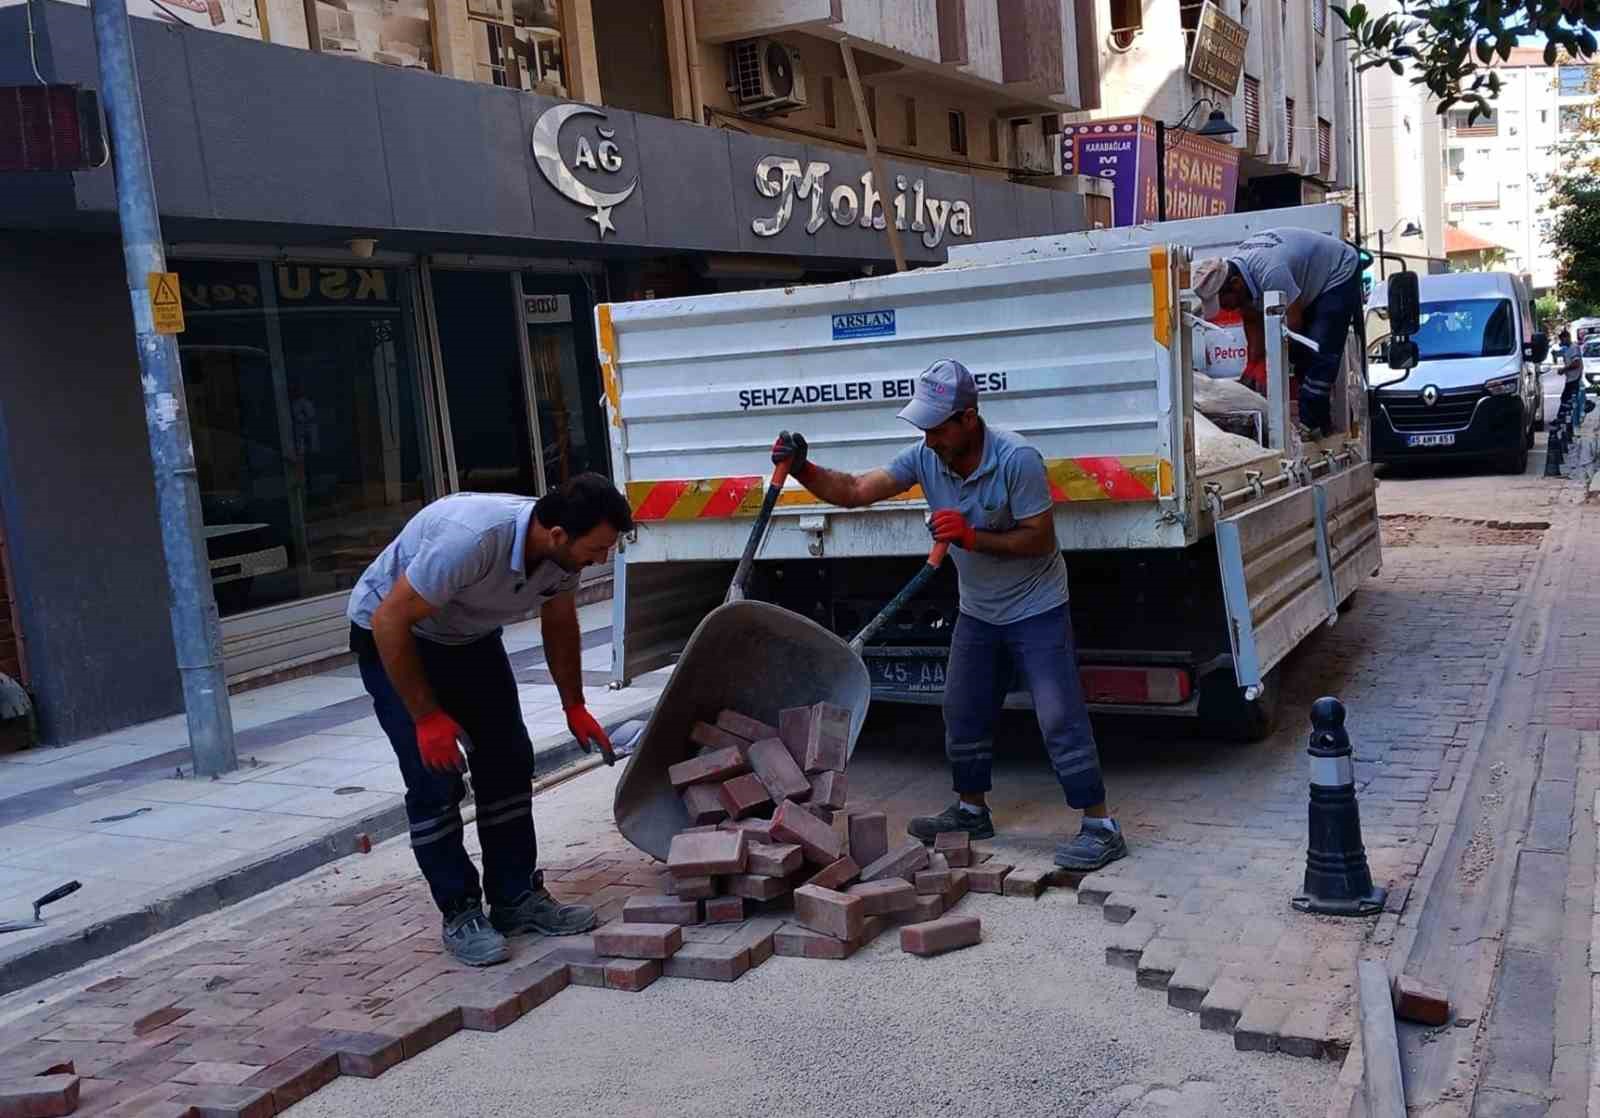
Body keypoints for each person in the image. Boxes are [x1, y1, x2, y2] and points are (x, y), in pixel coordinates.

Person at [770, 359, 1125, 872]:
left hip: (1036, 606)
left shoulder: (1017, 458)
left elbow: (1041, 537)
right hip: (979, 611)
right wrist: (802, 466)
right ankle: (970, 811)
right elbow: (853, 490)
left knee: (1059, 717)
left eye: (937, 427)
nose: (929, 438)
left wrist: (970, 536)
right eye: (925, 427)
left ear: (969, 419)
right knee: (962, 712)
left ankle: (1100, 826)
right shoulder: (926, 456)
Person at [347, 474, 633, 965]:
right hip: (396, 637)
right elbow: (389, 621)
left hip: (468, 638)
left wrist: (574, 705)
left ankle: (515, 897)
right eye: (598, 548)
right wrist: (427, 718)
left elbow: (559, 618)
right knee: (434, 777)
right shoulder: (472, 539)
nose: (603, 559)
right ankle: (460, 911)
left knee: (508, 760)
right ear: (559, 534)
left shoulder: (562, 555)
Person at [1191, 228, 1363, 438]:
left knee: (1317, 349)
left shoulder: (1271, 272)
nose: (1226, 308)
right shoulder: (1239, 276)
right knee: (1301, 360)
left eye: (1223, 302)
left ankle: (1312, 424)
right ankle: (1319, 422)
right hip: (1305, 278)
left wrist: (1271, 368)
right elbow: (1252, 319)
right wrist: (1253, 367)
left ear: (1235, 285)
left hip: (1339, 269)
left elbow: (1292, 325)